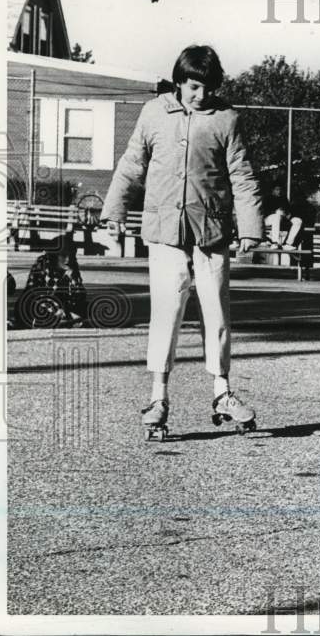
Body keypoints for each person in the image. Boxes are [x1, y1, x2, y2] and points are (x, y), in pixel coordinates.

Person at [102, 45, 265, 436]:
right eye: (193, 86)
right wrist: (114, 211)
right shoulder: (154, 113)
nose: (201, 95)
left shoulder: (226, 120)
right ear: (179, 81)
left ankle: (222, 391)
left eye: (208, 87)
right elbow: (131, 164)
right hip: (164, 232)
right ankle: (158, 397)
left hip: (211, 233)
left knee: (217, 313)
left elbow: (242, 176)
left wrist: (250, 228)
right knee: (167, 311)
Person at [14, 243, 87, 329]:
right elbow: (32, 292)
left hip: (61, 306)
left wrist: (72, 279)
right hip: (38, 304)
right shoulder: (43, 264)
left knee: (84, 309)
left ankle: (63, 320)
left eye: (71, 255)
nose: (68, 259)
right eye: (63, 255)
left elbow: (80, 296)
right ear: (55, 255)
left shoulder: (72, 265)